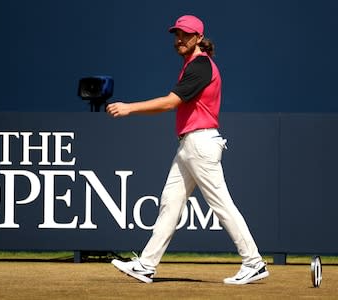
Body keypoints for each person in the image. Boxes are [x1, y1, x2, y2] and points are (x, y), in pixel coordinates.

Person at [107, 15, 269, 285]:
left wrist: (129, 108)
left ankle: (253, 262)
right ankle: (146, 265)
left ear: (198, 38)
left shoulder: (201, 66)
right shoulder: (193, 65)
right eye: (176, 34)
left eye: (185, 34)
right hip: (189, 146)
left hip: (200, 145)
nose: (179, 39)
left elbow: (170, 103)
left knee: (222, 204)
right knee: (170, 203)